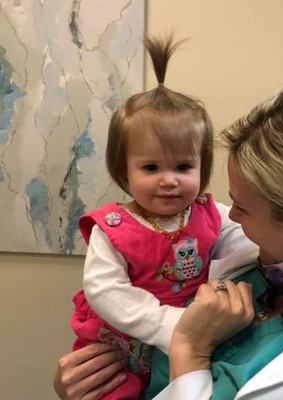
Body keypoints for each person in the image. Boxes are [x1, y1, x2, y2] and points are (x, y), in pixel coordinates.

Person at [55, 80, 283, 400]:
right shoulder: (258, 263)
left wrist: (190, 349)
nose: (230, 216)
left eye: (243, 208)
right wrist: (83, 385)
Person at [67, 34, 258, 400]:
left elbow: (243, 240)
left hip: (187, 339)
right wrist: (168, 324)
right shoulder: (114, 230)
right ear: (124, 172)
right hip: (118, 347)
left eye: (183, 166)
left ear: (203, 167)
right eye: (151, 167)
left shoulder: (207, 213)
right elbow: (106, 292)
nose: (169, 180)